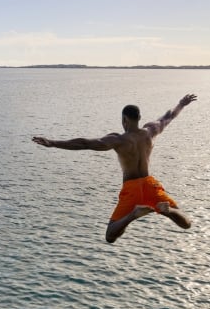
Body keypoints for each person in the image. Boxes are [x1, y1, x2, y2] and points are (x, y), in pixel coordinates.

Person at [32, 94, 197, 243]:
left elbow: (85, 143)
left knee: (110, 235)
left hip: (131, 188)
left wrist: (53, 143)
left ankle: (134, 214)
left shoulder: (118, 140)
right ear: (139, 118)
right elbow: (168, 117)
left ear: (124, 120)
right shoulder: (150, 131)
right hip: (150, 184)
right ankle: (167, 211)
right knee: (185, 223)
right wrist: (181, 104)